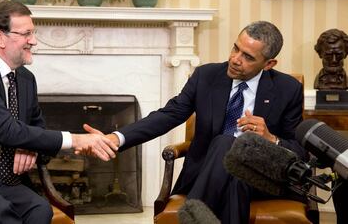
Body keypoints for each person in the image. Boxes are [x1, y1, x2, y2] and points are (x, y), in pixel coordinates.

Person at [90, 21, 307, 223]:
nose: (235, 59)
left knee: (232, 155)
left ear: (269, 64)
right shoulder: (207, 76)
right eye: (235, 48)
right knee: (229, 157)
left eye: (248, 57)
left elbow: (300, 152)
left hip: (261, 178)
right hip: (208, 172)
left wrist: (271, 139)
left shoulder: (287, 89)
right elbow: (169, 114)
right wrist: (116, 138)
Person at [0, 1, 117, 224]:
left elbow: (36, 128)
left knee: (40, 210)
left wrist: (28, 147)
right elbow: (6, 130)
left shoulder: (25, 78)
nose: (34, 41)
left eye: (34, 33)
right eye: (27, 34)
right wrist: (76, 139)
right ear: (0, 38)